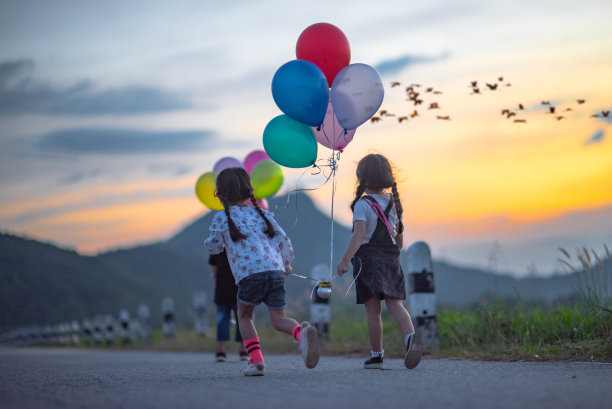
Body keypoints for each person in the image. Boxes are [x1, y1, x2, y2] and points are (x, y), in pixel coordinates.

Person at [204, 167, 319, 376]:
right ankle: (299, 332)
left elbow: (213, 247)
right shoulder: (263, 214)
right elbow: (283, 240)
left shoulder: (222, 218)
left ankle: (256, 362)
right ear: (250, 191)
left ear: (219, 195)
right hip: (274, 270)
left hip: (249, 275)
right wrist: (286, 264)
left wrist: (218, 245)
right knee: (279, 319)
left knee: (244, 316)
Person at [337, 153, 422, 370]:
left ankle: (377, 356)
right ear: (387, 177)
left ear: (362, 178)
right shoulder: (394, 204)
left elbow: (359, 235)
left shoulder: (362, 205)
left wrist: (345, 260)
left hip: (368, 260)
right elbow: (399, 240)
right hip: (391, 256)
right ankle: (411, 338)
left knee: (373, 310)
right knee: (396, 304)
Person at [208, 250, 249, 362]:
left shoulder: (240, 245)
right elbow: (214, 271)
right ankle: (222, 349)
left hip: (239, 289)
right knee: (222, 320)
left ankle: (243, 348)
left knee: (242, 319)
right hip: (222, 290)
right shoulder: (216, 249)